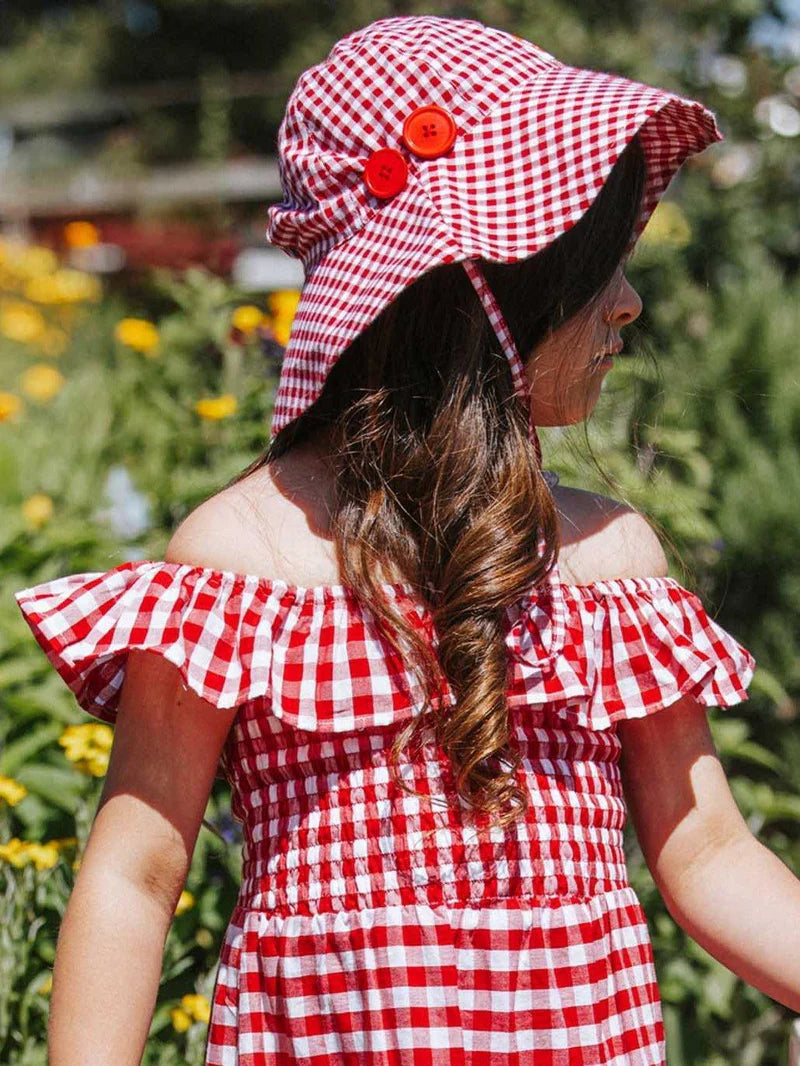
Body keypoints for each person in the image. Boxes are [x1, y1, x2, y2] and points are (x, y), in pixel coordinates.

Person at [13, 14, 800, 1066]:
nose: (630, 302)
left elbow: (705, 848)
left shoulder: (609, 562)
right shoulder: (247, 561)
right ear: (480, 283)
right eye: (596, 262)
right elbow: (134, 878)